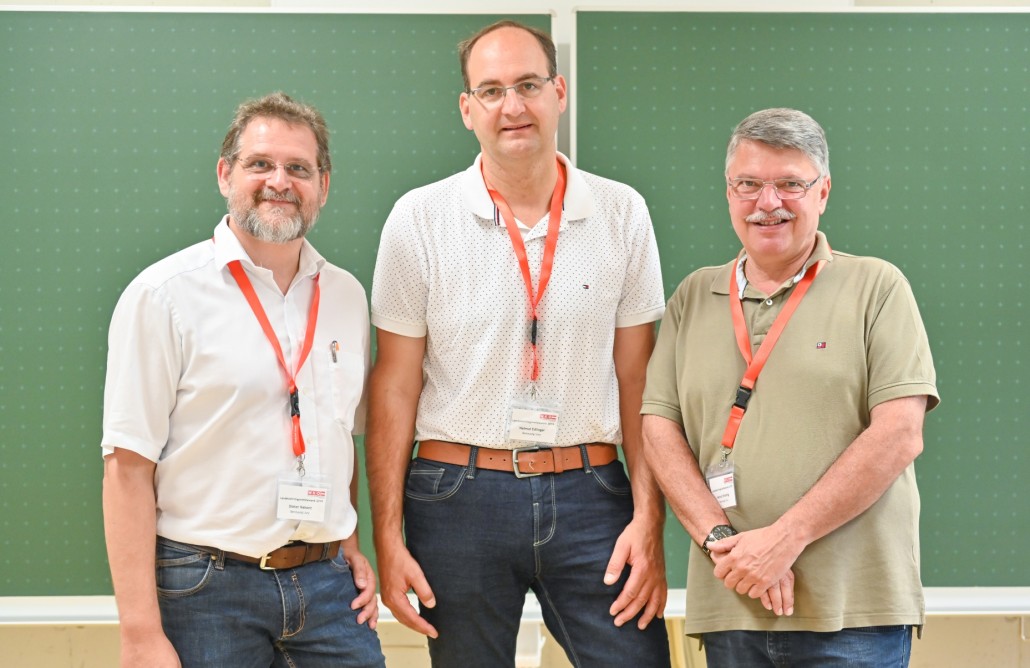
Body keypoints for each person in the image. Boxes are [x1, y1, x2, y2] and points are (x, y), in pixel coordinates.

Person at [367, 19, 672, 668]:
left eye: (529, 85)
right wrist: (386, 537)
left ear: (559, 92)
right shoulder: (419, 219)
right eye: (492, 90)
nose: (512, 106)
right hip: (457, 495)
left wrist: (650, 520)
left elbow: (639, 380)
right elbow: (394, 383)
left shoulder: (622, 212)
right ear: (467, 108)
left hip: (592, 493)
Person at [641, 107, 940, 667]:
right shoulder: (692, 297)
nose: (767, 202)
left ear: (823, 191)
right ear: (728, 193)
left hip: (852, 616)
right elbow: (658, 429)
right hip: (730, 603)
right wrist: (722, 543)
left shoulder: (876, 286)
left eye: (790, 184)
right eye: (748, 184)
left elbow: (900, 434)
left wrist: (785, 540)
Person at [101, 92, 384, 668]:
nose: (279, 181)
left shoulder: (347, 295)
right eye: (260, 164)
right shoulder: (163, 296)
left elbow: (338, 437)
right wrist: (139, 633)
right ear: (225, 174)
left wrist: (350, 543)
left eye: (298, 168)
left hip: (329, 587)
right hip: (206, 588)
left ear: (323, 186)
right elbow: (127, 469)